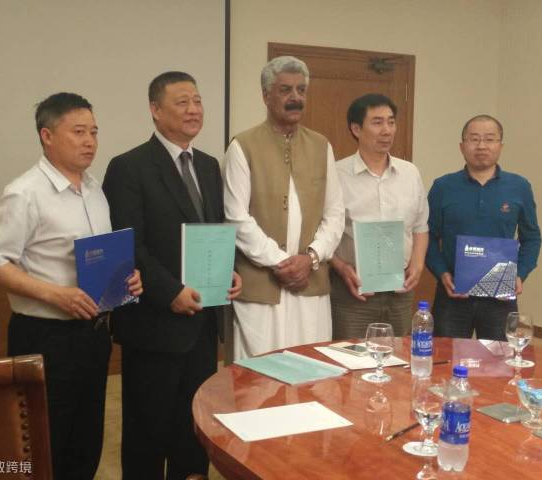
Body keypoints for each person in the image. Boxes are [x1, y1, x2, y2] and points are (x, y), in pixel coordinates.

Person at [0, 92, 143, 480]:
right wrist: (55, 294)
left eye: (94, 132)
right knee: (46, 444)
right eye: (78, 132)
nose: (90, 141)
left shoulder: (95, 190)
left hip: (93, 334)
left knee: (86, 442)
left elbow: (102, 256)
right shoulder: (24, 193)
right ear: (47, 136)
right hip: (45, 337)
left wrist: (127, 277)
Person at [102, 71, 241, 480]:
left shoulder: (209, 166)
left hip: (202, 321)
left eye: (197, 101)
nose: (193, 110)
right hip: (154, 323)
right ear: (155, 110)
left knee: (193, 427)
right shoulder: (128, 167)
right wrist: (170, 293)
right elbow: (130, 245)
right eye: (182, 102)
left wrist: (228, 269)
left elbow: (213, 231)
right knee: (147, 432)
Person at [224, 56, 344, 360]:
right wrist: (282, 263)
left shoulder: (321, 145)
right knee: (258, 376)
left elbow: (335, 214)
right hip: (262, 287)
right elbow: (236, 218)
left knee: (313, 370)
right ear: (266, 95)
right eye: (285, 90)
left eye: (301, 90)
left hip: (311, 283)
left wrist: (311, 258)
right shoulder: (243, 146)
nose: (295, 98)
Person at [426, 114, 542, 339]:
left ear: (500, 146)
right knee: (446, 356)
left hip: (500, 298)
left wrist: (520, 274)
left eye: (489, 139)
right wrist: (441, 273)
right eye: (474, 139)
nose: (481, 146)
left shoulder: (519, 186)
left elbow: (532, 238)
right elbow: (427, 237)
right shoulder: (442, 187)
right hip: (452, 295)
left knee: (498, 358)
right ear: (462, 146)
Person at [330, 94, 429, 338]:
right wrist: (341, 268)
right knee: (350, 355)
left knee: (399, 354)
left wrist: (417, 264)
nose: (387, 130)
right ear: (356, 129)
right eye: (377, 122)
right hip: (353, 290)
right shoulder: (336, 174)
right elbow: (321, 232)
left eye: (391, 122)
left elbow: (420, 226)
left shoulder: (410, 173)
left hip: (400, 290)